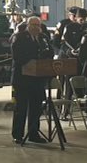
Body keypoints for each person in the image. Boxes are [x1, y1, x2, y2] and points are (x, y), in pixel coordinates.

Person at [10, 16, 54, 144]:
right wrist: (32, 61)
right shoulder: (19, 37)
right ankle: (18, 134)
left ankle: (33, 134)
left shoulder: (43, 38)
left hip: (38, 79)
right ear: (28, 25)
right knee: (21, 108)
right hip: (22, 79)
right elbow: (17, 56)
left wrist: (43, 61)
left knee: (36, 108)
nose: (36, 27)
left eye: (38, 25)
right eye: (33, 25)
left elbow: (50, 52)